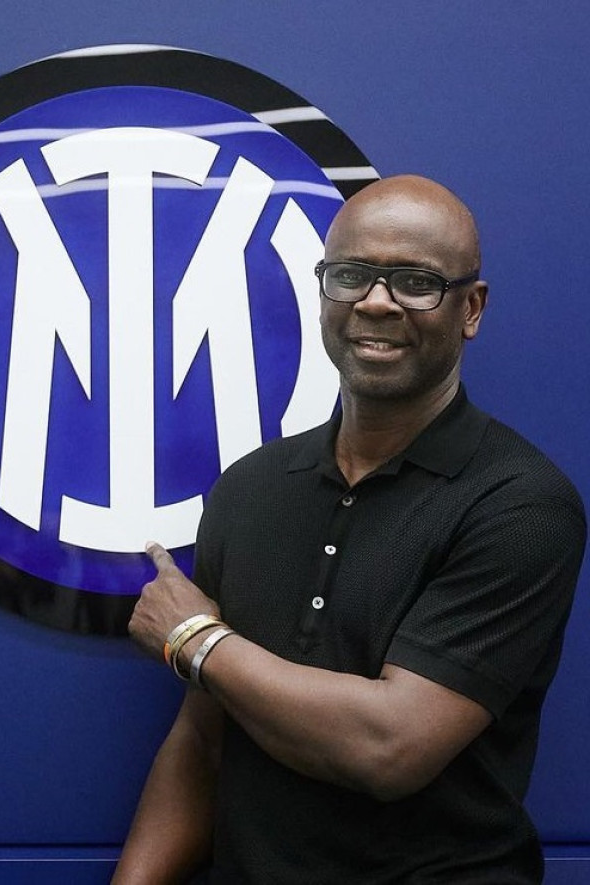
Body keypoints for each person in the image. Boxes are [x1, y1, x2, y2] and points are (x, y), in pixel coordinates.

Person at [114, 175, 585, 883]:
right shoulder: (249, 489)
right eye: (351, 275)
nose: (375, 300)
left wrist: (196, 639)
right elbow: (205, 742)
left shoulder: (520, 505)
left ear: (471, 308)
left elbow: (389, 746)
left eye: (416, 281)